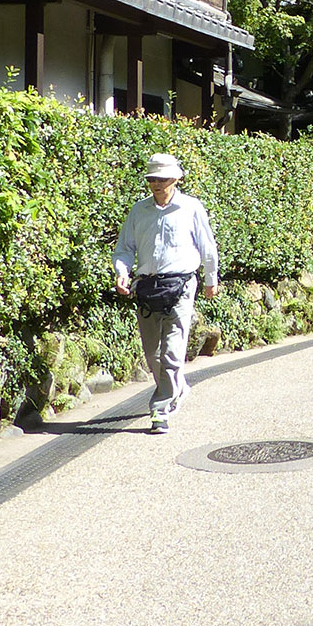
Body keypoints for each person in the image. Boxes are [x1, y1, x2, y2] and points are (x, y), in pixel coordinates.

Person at [113, 153, 219, 433]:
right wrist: (122, 272)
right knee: (153, 354)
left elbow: (207, 246)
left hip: (181, 285)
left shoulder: (191, 208)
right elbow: (125, 247)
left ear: (175, 179)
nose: (156, 184)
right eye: (152, 179)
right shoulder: (139, 210)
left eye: (161, 179)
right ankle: (178, 388)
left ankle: (161, 409)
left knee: (172, 352)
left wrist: (211, 278)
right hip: (147, 286)